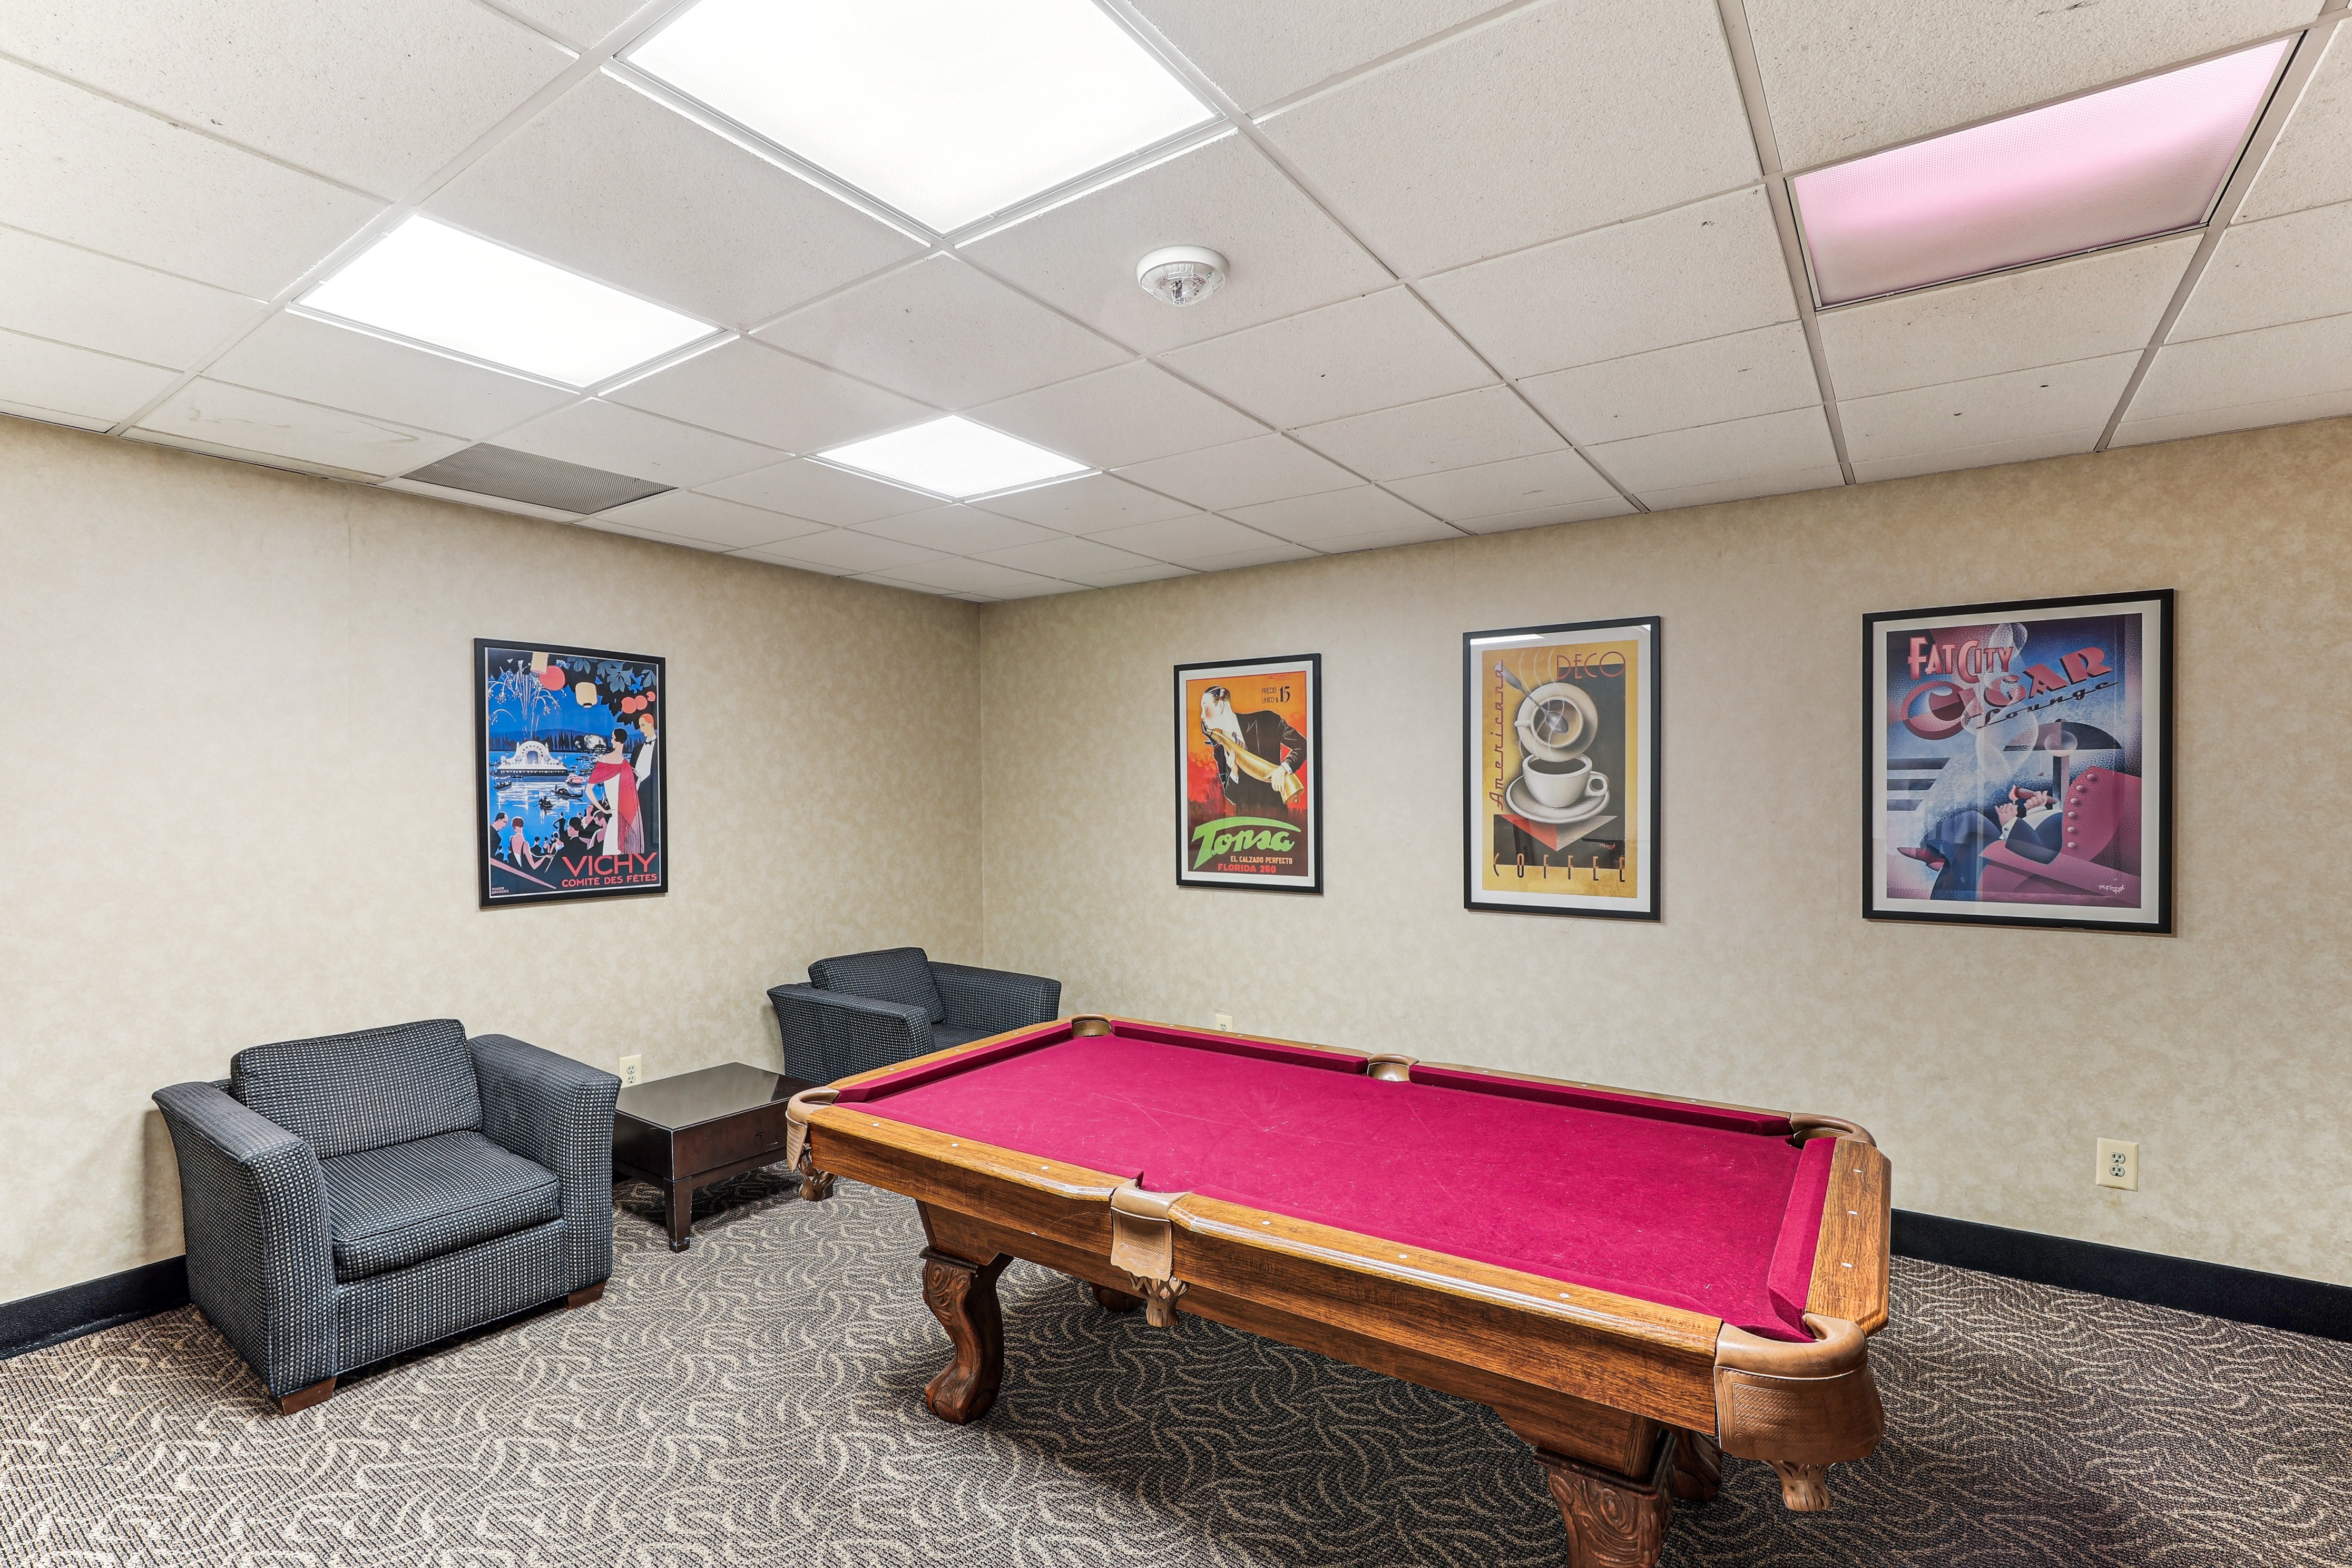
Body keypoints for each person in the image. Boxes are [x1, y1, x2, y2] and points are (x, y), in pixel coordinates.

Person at [1199, 685, 1306, 818]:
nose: (1202, 716)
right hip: (1246, 821)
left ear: (1221, 706)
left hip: (1276, 815)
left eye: (1206, 709)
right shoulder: (1220, 750)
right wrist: (1234, 773)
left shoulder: (1266, 720)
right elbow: (1232, 796)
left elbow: (1302, 745)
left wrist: (1283, 769)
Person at [586, 728, 645, 856]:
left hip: (616, 817)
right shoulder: (626, 764)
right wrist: (639, 779)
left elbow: (588, 790)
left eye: (613, 738)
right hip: (626, 819)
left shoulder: (605, 759)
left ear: (619, 741)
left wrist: (604, 809)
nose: (611, 741)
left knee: (611, 855)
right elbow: (632, 795)